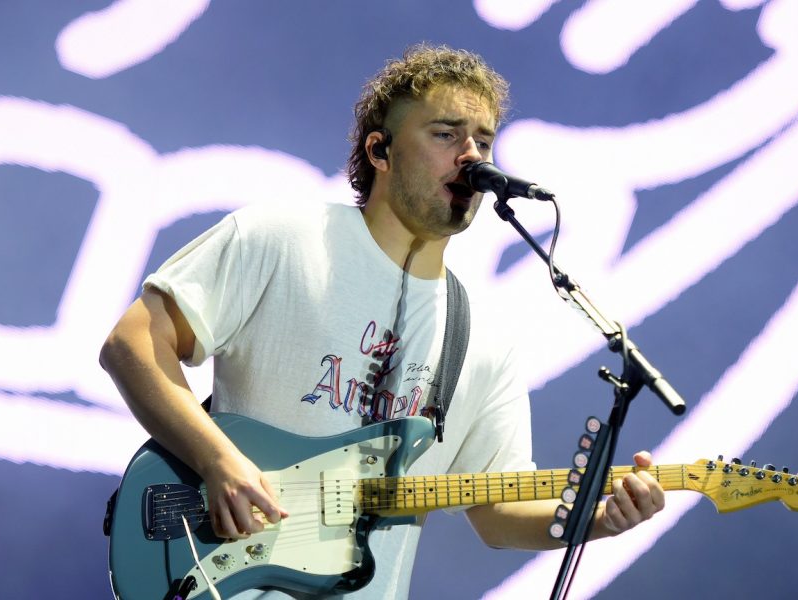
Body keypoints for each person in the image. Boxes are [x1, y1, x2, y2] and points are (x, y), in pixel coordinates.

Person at [100, 43, 665, 599]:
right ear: (380, 150)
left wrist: (600, 517)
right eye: (446, 134)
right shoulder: (283, 239)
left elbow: (498, 513)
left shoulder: (485, 336)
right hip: (218, 573)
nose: (473, 155)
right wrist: (218, 460)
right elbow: (133, 343)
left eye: (484, 140)